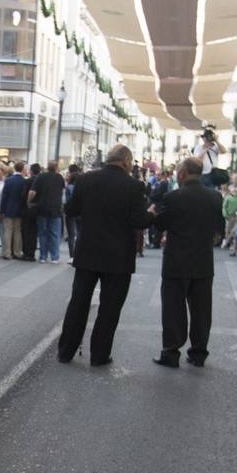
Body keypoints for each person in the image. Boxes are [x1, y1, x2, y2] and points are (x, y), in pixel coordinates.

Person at [58, 145, 155, 365]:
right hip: (118, 257)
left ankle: (66, 351)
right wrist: (151, 214)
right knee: (109, 309)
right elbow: (139, 221)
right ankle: (99, 355)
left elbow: (71, 210)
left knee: (78, 303)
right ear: (126, 162)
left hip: (88, 252)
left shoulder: (85, 180)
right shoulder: (134, 186)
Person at [150, 157, 224, 368]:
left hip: (176, 261)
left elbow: (161, 224)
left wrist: (154, 215)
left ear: (182, 173)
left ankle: (171, 353)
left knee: (173, 309)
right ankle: (198, 353)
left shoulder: (173, 197)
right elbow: (219, 229)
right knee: (202, 310)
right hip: (202, 261)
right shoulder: (215, 197)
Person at [29, 161, 66, 263]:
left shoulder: (40, 177)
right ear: (56, 168)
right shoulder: (60, 178)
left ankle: (43, 256)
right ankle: (55, 257)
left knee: (42, 233)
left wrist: (29, 201)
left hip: (42, 208)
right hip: (56, 209)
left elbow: (32, 192)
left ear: (47, 167)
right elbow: (63, 193)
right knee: (54, 233)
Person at [0, 162, 27, 259]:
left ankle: (7, 253)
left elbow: (4, 196)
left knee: (7, 231)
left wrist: (2, 210)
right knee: (17, 232)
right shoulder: (24, 181)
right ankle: (17, 252)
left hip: (8, 209)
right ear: (22, 169)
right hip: (19, 209)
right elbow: (24, 197)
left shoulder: (8, 180)